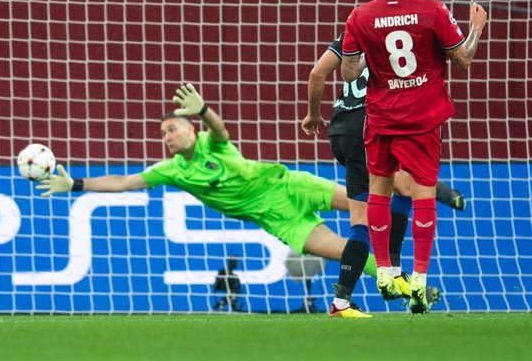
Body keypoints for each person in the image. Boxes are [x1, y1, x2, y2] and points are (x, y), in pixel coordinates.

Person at [39, 83, 377, 317]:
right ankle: (405, 286)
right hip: (280, 220)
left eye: (172, 129)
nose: (167, 138)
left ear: (191, 129)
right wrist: (75, 184)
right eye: (163, 135)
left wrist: (203, 109)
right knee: (344, 251)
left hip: (292, 186)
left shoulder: (210, 144)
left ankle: (418, 196)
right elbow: (125, 181)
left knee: (371, 206)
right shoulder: (173, 170)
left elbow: (220, 130)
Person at [301, 0, 464, 316]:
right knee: (404, 190)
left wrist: (313, 116)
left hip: (340, 129)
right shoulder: (417, 32)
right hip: (373, 123)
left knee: (370, 211)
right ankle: (389, 278)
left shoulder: (361, 29)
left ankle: (354, 295)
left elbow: (318, 73)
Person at [340, 0, 487, 313]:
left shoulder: (360, 16)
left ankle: (386, 272)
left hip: (382, 117)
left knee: (379, 190)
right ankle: (418, 277)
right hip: (422, 118)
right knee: (422, 194)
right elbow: (463, 59)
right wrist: (475, 30)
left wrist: (366, 57)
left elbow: (347, 73)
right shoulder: (433, 10)